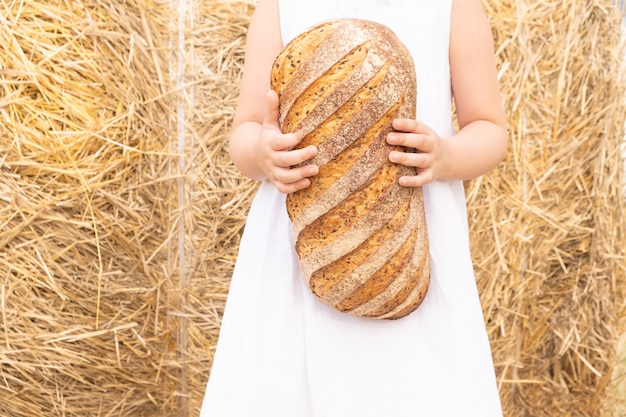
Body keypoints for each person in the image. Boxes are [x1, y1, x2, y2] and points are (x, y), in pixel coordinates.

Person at [200, 0, 508, 415]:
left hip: (409, 241)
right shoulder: (279, 7)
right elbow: (246, 130)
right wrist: (262, 153)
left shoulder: (453, 7)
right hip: (300, 245)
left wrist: (446, 156)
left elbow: (489, 129)